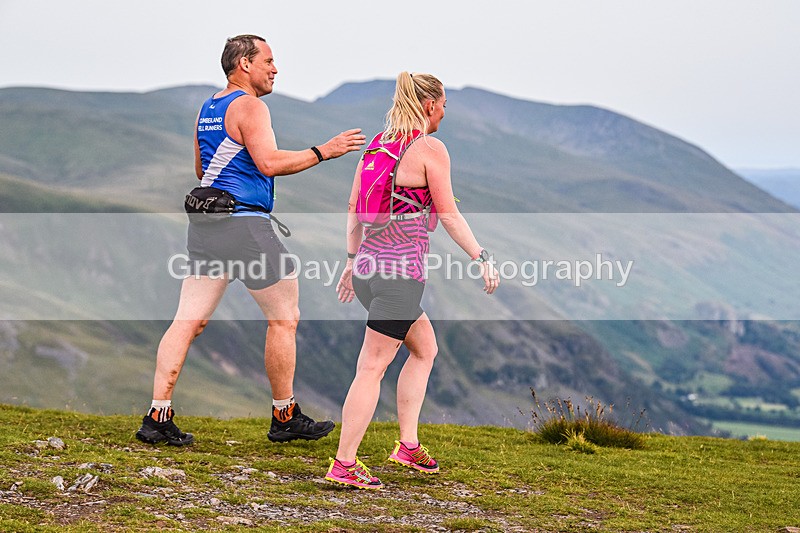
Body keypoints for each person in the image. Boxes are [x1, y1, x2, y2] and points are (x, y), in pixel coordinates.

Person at [135, 34, 366, 446]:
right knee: (284, 318)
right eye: (269, 61)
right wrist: (324, 151)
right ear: (244, 63)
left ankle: (157, 415)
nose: (275, 69)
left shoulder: (208, 108)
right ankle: (284, 415)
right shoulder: (251, 106)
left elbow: (200, 168)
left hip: (207, 225)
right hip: (245, 227)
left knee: (188, 320)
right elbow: (269, 163)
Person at [325, 72, 499, 489]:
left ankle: (407, 445)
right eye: (442, 105)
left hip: (370, 269)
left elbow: (353, 207)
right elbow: (449, 213)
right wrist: (482, 256)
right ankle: (344, 464)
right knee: (372, 367)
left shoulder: (378, 146)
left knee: (424, 348)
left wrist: (352, 263)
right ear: (428, 105)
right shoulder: (428, 148)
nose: (443, 113)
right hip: (400, 275)